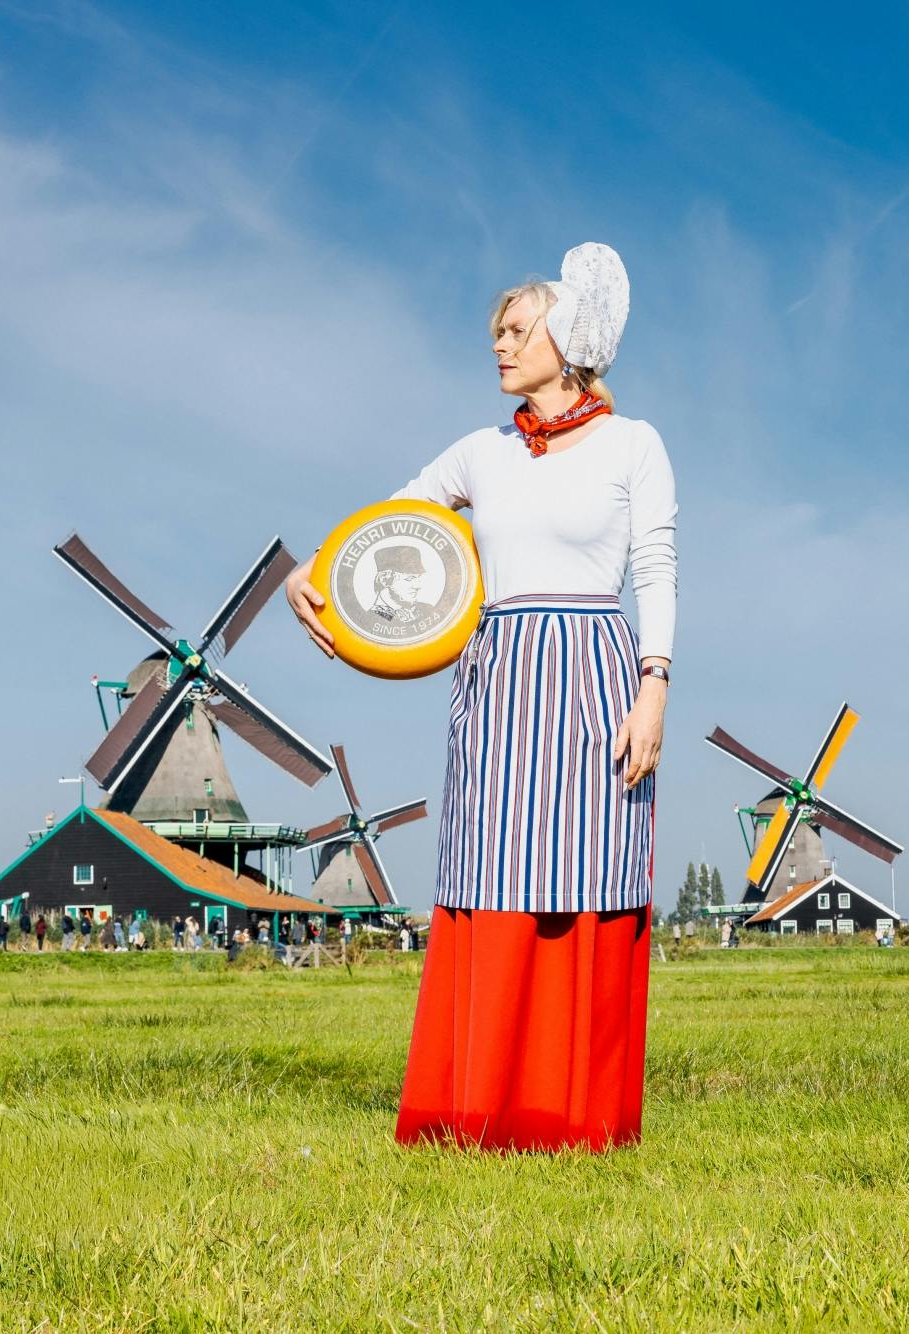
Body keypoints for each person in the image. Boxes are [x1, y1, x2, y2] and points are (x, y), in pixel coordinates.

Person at [288, 244, 668, 1153]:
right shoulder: (480, 451)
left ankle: (576, 1114)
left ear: (565, 338)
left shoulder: (633, 443)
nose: (498, 346)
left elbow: (655, 563)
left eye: (515, 330)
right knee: (492, 872)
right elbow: (395, 523)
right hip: (497, 675)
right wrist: (317, 570)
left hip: (594, 671)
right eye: (495, 332)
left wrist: (654, 687)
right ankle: (478, 1108)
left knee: (585, 875)